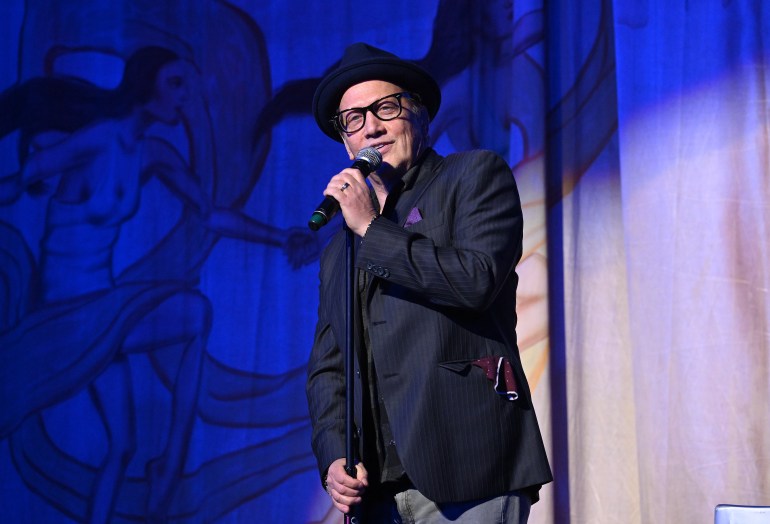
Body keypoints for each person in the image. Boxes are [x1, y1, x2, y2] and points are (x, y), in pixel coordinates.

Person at [306, 43, 553, 523]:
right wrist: (334, 455)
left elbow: (476, 280)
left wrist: (372, 230)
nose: (371, 126)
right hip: (376, 492)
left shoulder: (473, 177)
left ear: (418, 115)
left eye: (385, 108)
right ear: (345, 143)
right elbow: (328, 367)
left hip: (469, 469)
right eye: (353, 119)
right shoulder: (341, 249)